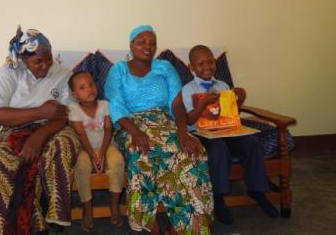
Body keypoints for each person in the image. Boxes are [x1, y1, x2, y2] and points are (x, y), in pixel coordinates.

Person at [104, 25, 213, 235]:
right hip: (131, 124)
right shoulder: (118, 70)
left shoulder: (165, 67)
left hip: (165, 122)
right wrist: (135, 131)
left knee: (192, 154)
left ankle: (183, 224)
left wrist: (183, 132)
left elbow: (177, 103)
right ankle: (149, 224)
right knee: (140, 154)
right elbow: (115, 104)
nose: (148, 46)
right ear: (131, 45)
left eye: (152, 43)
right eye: (141, 42)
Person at [0, 27, 81, 235]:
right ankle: (27, 224)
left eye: (49, 58)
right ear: (23, 60)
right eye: (38, 62)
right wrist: (39, 111)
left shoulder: (63, 74)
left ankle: (55, 217)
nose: (45, 66)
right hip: (15, 129)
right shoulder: (9, 72)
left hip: (55, 128)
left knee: (61, 147)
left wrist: (39, 135)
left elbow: (64, 115)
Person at [182, 44, 279, 225]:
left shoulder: (223, 85)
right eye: (201, 64)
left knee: (251, 142)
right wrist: (203, 104)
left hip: (226, 130)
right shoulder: (188, 90)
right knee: (218, 148)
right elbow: (188, 120)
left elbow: (231, 112)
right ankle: (218, 197)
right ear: (191, 67)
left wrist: (239, 99)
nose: (207, 67)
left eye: (210, 62)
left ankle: (257, 190)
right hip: (202, 133)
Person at [68, 71, 125, 232]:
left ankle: (114, 205)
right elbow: (80, 134)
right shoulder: (73, 108)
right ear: (75, 94)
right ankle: (87, 208)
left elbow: (108, 130)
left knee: (117, 161)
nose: (89, 89)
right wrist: (93, 155)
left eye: (91, 84)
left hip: (107, 145)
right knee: (81, 166)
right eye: (82, 87)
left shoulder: (105, 105)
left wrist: (101, 153)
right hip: (86, 148)